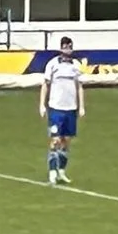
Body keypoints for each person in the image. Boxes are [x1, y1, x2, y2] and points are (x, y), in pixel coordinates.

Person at [42, 36, 84, 184]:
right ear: (61, 48)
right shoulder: (53, 64)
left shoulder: (76, 65)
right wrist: (42, 104)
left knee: (66, 141)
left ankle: (62, 171)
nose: (67, 49)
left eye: (70, 46)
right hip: (56, 109)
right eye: (65, 46)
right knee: (55, 140)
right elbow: (45, 84)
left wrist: (81, 106)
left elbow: (79, 86)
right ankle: (52, 172)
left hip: (70, 109)